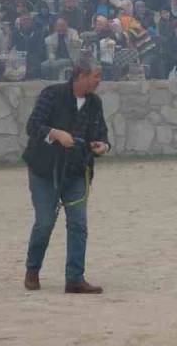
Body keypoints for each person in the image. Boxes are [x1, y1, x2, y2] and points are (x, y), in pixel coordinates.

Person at [20, 54, 110, 294]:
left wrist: (103, 146)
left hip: (77, 172)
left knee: (79, 223)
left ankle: (74, 279)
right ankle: (32, 269)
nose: (99, 81)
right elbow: (33, 126)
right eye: (96, 76)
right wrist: (55, 133)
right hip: (44, 171)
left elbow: (101, 133)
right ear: (81, 75)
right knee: (45, 223)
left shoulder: (95, 103)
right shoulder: (51, 94)